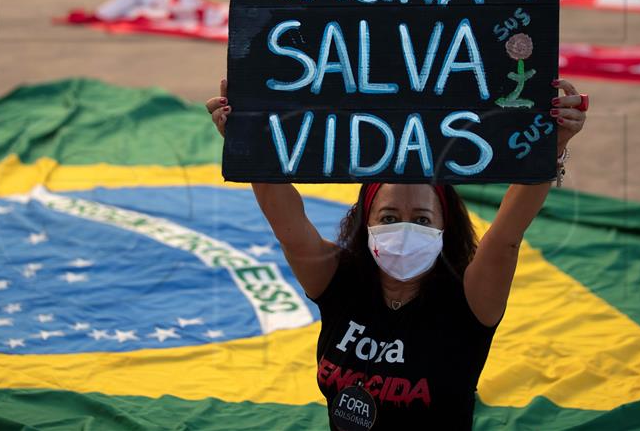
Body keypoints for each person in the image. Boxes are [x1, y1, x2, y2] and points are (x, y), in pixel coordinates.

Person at [206, 78, 587, 430]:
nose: (405, 229)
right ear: (364, 222)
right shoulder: (338, 282)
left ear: (445, 226)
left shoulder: (471, 300)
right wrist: (247, 140)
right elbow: (286, 222)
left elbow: (506, 236)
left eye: (421, 218)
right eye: (389, 216)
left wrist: (551, 145)